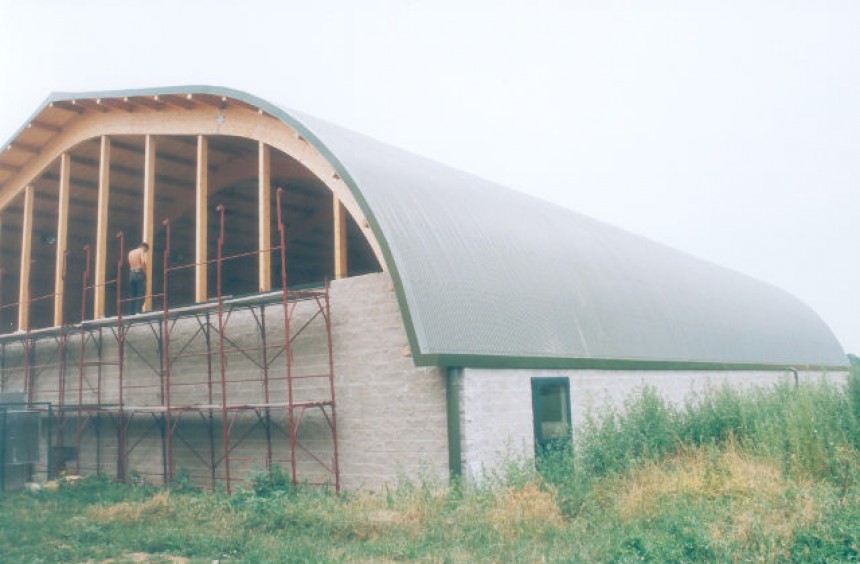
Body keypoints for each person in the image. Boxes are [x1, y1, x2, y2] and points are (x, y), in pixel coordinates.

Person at [127, 242, 149, 315]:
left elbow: (130, 263)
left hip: (131, 273)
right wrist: (145, 272)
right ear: (144, 247)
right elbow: (143, 262)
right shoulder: (141, 251)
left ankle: (131, 311)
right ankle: (138, 311)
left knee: (132, 293)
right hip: (139, 273)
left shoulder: (130, 252)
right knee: (141, 292)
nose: (145, 252)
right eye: (146, 251)